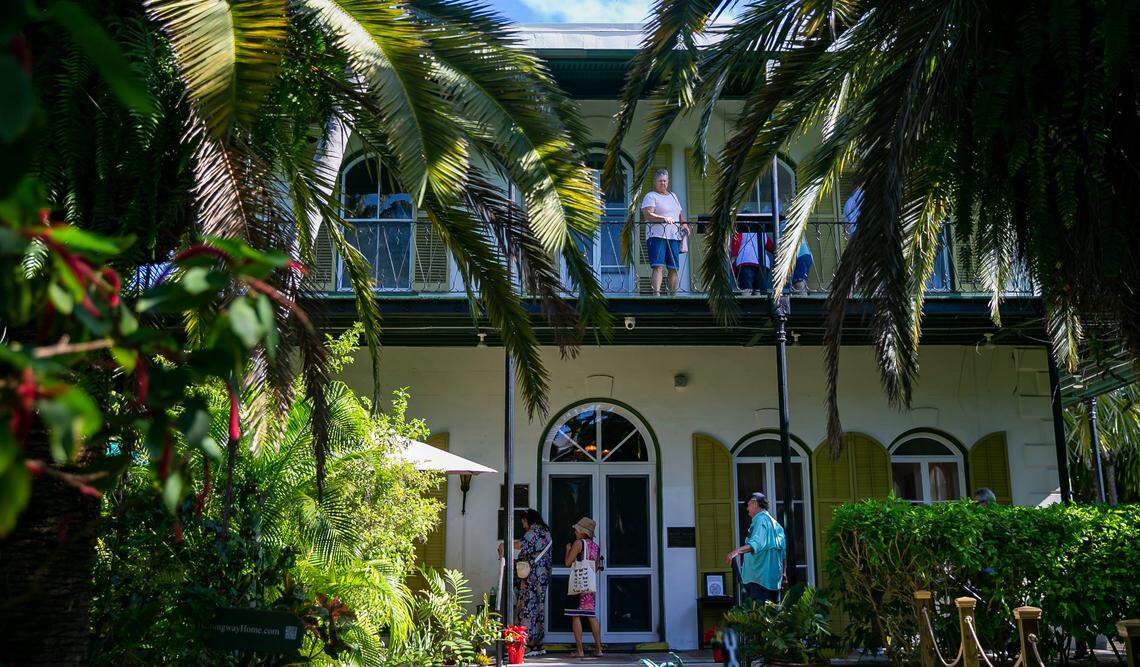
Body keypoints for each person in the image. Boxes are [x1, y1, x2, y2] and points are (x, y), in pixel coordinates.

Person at [725, 492, 786, 604]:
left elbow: (756, 543)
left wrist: (736, 551)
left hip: (758, 580)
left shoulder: (760, 520)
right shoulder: (776, 525)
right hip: (774, 581)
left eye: (748, 505)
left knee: (756, 618)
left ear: (755, 503)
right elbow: (782, 553)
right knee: (772, 618)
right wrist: (784, 574)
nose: (747, 509)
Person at [640, 168, 689, 296]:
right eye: (660, 181)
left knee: (673, 268)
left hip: (673, 236)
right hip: (657, 236)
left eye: (665, 181)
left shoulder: (673, 196)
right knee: (658, 266)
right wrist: (663, 218)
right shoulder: (650, 196)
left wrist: (684, 224)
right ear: (655, 182)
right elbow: (647, 215)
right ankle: (656, 294)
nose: (663, 183)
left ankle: (673, 295)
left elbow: (679, 214)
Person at [513, 509, 553, 656]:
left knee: (528, 607)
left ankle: (527, 644)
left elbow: (522, 545)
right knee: (539, 608)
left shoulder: (533, 532)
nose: (523, 525)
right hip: (543, 576)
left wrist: (506, 544)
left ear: (528, 520)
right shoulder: (546, 532)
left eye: (523, 521)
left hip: (532, 577)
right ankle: (538, 644)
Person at [564, 517, 603, 658]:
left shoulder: (578, 544)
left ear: (582, 532)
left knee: (576, 616)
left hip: (577, 585)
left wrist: (568, 550)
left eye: (576, 529)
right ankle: (599, 649)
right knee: (591, 616)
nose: (575, 531)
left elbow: (568, 562)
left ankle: (580, 650)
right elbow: (597, 567)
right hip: (589, 586)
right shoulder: (595, 546)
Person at [731, 227, 768, 295]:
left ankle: (748, 303)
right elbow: (772, 247)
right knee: (759, 291)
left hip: (745, 261)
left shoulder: (741, 229)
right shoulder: (763, 232)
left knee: (746, 291)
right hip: (764, 263)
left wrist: (732, 260)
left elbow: (736, 243)